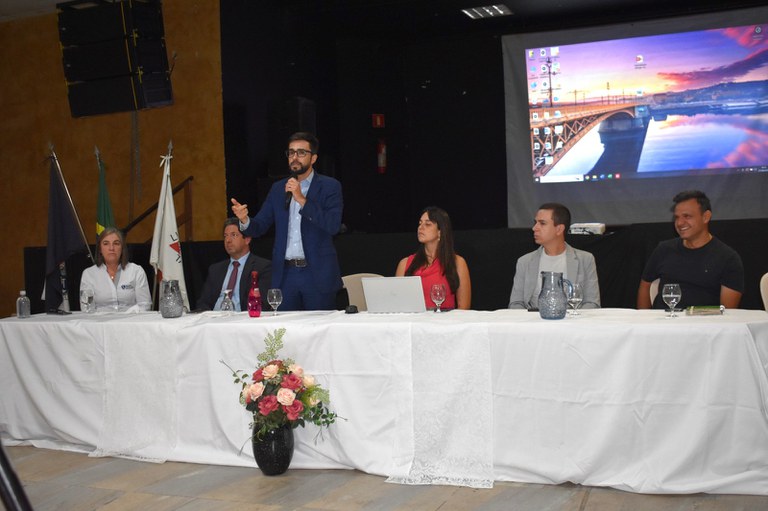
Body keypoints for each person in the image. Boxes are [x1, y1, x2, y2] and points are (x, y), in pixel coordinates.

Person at [230, 132, 343, 310]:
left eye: (301, 153)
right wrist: (245, 220)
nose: (295, 158)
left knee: (318, 333)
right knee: (285, 333)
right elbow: (259, 227)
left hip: (317, 275)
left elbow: (333, 225)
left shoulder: (330, 186)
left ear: (313, 158)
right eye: (291, 153)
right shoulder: (278, 189)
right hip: (286, 275)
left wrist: (302, 199)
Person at [637, 190, 744, 309]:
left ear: (706, 217)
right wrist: (644, 320)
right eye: (677, 217)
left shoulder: (727, 258)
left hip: (705, 325)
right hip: (665, 323)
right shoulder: (664, 249)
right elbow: (645, 286)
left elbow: (728, 312)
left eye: (687, 216)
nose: (680, 223)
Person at [508, 203, 600, 309]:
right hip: (534, 323)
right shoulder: (525, 261)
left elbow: (592, 303)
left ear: (559, 229)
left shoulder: (585, 259)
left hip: (572, 323)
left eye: (542, 223)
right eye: (535, 223)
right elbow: (515, 303)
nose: (534, 228)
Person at [395, 207, 471, 310]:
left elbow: (464, 308)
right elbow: (397, 305)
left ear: (440, 232)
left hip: (446, 324)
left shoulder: (458, 263)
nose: (420, 227)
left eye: (427, 224)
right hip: (414, 324)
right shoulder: (405, 264)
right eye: (420, 223)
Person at [196, 218, 273, 311]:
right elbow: (203, 303)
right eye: (225, 236)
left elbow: (262, 304)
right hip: (214, 320)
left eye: (234, 235)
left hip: (242, 321)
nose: (228, 240)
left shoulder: (262, 267)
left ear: (247, 239)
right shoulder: (215, 269)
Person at [79, 227, 152, 312]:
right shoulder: (89, 274)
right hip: (100, 324)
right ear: (100, 249)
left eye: (116, 243)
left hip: (130, 323)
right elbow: (86, 309)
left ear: (122, 248)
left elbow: (145, 305)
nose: (111, 248)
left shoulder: (136, 271)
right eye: (106, 244)